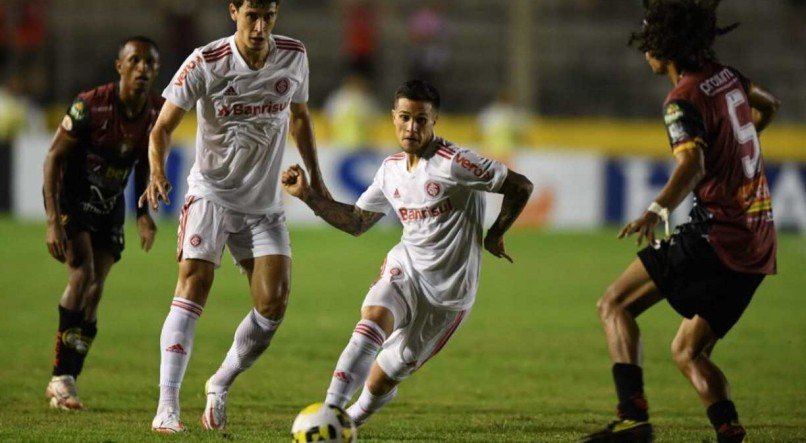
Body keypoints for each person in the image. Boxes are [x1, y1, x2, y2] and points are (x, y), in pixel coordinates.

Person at [581, 1, 779, 442]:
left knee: (614, 304)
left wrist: (657, 209)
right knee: (688, 352)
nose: (645, 50)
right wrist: (738, 140)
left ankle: (633, 421)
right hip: (759, 243)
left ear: (665, 46)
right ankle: (728, 429)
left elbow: (691, 163)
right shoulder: (727, 77)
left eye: (649, 40)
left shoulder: (681, 99)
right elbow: (769, 105)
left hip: (719, 236)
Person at [282, 80, 534, 427]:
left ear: (434, 121)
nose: (412, 127)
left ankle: (351, 421)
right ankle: (327, 416)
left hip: (449, 295)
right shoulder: (390, 170)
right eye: (405, 117)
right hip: (406, 270)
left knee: (385, 376)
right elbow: (357, 222)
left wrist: (495, 235)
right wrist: (309, 196)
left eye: (421, 120)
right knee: (369, 324)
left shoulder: (455, 163)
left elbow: (521, 186)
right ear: (393, 117)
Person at [139, 0, 330, 433]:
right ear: (233, 12)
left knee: (273, 305)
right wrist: (155, 171)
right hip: (212, 194)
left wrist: (316, 180)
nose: (260, 26)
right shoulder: (206, 62)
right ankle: (167, 406)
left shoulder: (294, 55)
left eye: (268, 16)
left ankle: (220, 381)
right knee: (193, 284)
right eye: (251, 16)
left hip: (263, 205)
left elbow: (299, 118)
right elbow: (162, 127)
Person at [42, 36, 162, 410]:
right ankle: (60, 377)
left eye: (150, 63)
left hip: (109, 205)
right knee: (82, 274)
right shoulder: (90, 105)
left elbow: (144, 162)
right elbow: (52, 160)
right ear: (120, 66)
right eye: (135, 61)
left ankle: (68, 379)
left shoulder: (155, 113)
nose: (142, 68)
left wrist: (142, 214)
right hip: (72, 200)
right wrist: (52, 222)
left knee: (96, 289)